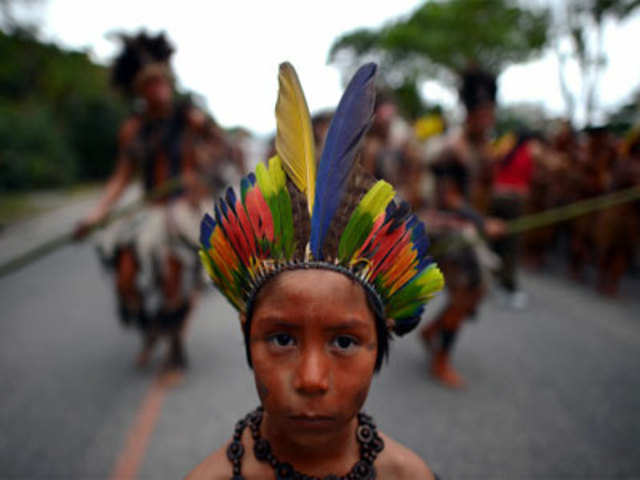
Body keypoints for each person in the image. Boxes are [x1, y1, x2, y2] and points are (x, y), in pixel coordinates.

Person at [187, 63, 444, 480]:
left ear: (381, 338)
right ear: (244, 332)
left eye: (344, 341)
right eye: (282, 338)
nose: (311, 379)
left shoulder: (410, 475)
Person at [74, 31, 238, 370]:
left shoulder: (188, 117)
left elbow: (222, 145)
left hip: (184, 206)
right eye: (152, 86)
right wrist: (96, 214)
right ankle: (148, 325)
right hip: (150, 208)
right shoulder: (134, 129)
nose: (160, 91)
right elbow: (121, 178)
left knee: (184, 261)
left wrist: (201, 170)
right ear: (141, 91)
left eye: (164, 84)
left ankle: (176, 334)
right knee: (125, 270)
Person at [418, 68, 504, 388]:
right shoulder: (451, 149)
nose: (487, 120)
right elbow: (448, 198)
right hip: (446, 227)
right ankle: (441, 358)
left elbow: (481, 193)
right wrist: (483, 223)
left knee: (471, 293)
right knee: (468, 291)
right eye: (481, 113)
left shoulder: (486, 149)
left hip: (469, 227)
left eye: (490, 113)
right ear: (469, 114)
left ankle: (432, 332)